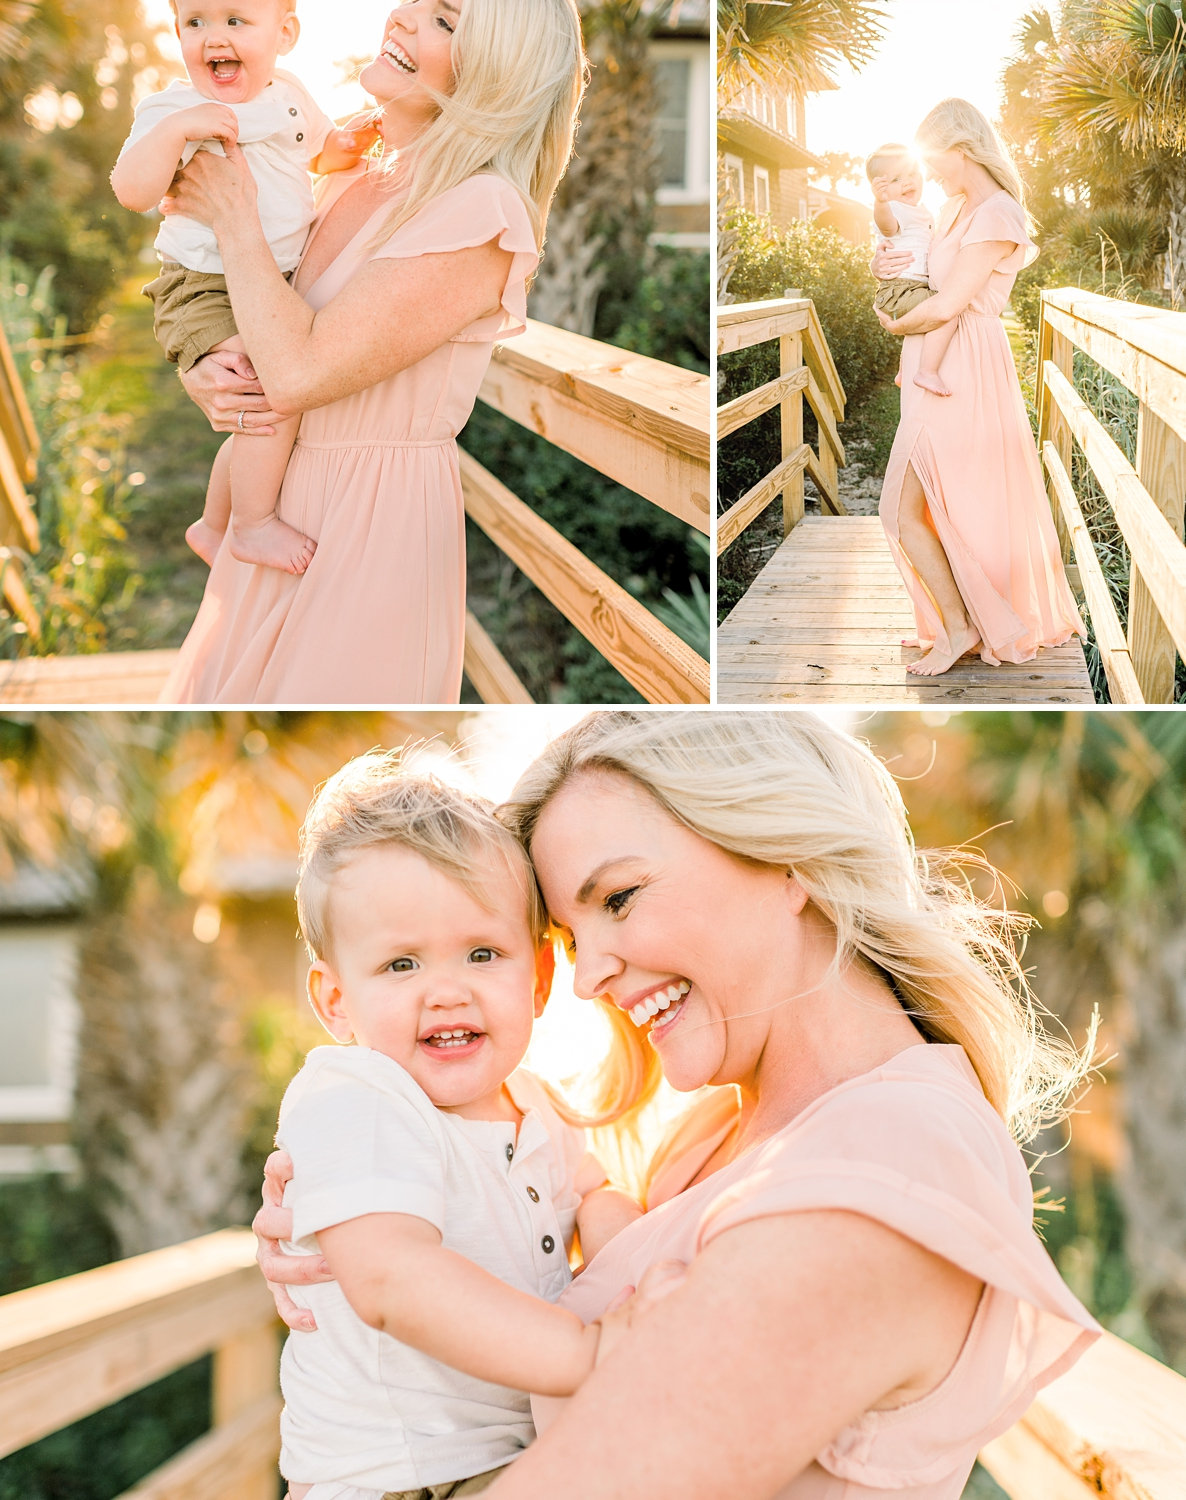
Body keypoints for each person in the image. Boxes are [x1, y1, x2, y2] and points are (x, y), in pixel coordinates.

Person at [255, 710, 1101, 1500]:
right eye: (574, 939)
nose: (588, 978)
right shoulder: (716, 1140)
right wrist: (356, 1222)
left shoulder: (893, 1161)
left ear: (788, 859)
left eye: (619, 899)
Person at [157, 0, 585, 704]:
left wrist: (232, 212)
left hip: (366, 525)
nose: (405, 19)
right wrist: (206, 365)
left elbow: (297, 371)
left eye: (445, 22)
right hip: (270, 505)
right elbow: (268, 322)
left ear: (496, 72)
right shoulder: (352, 170)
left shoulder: (481, 210)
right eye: (417, 2)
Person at [277, 753, 641, 1500]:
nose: (446, 991)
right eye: (401, 964)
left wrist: (634, 1267)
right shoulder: (355, 1095)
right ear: (336, 1000)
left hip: (512, 1456)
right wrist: (589, 1352)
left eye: (482, 954)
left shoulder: (537, 1102)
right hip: (395, 1478)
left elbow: (595, 1193)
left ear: (538, 979)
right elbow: (391, 1278)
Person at [111, 0, 378, 575]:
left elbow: (319, 153)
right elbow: (132, 191)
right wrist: (177, 132)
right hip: (202, 283)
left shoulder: (289, 94)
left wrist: (346, 147)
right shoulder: (173, 106)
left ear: (285, 34)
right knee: (266, 389)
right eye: (195, 22)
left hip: (274, 280)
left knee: (269, 395)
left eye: (235, 21)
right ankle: (250, 525)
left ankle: (212, 526)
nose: (214, 38)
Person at [873, 98, 1084, 677]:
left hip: (961, 365)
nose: (931, 174)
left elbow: (948, 304)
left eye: (936, 160)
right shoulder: (955, 209)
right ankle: (954, 622)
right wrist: (886, 266)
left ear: (962, 151)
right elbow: (923, 274)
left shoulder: (998, 214)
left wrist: (894, 322)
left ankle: (962, 626)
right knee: (934, 504)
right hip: (932, 358)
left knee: (899, 508)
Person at [866, 145, 957, 396]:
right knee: (947, 313)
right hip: (900, 289)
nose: (907, 182)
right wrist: (881, 202)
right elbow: (886, 227)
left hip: (908, 288)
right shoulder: (895, 209)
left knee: (931, 315)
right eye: (896, 179)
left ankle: (904, 371)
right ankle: (927, 371)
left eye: (912, 173)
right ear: (883, 187)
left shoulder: (922, 209)